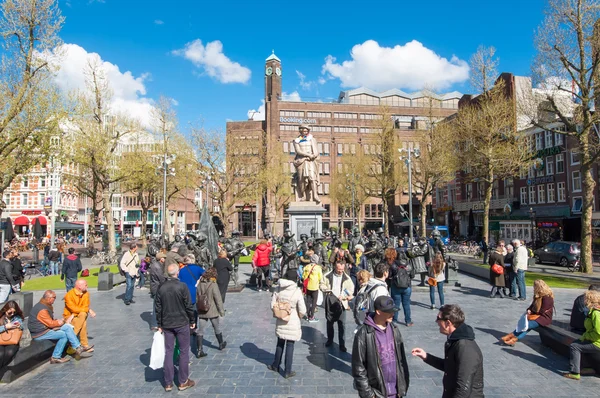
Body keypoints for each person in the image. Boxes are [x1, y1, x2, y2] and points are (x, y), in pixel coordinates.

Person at [412, 304, 484, 397]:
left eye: (438, 318)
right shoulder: (455, 340)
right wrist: (426, 356)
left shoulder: (465, 348)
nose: (436, 322)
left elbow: (463, 388)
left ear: (448, 323)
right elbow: (449, 366)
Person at [352, 296, 410, 398]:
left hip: (396, 392)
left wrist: (404, 384)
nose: (393, 314)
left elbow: (402, 360)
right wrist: (369, 394)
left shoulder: (394, 329)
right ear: (378, 312)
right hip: (377, 393)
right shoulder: (364, 333)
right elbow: (358, 367)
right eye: (389, 311)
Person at [155, 263, 196, 392]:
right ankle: (183, 381)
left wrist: (159, 324)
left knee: (169, 352)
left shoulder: (161, 287)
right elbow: (188, 305)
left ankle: (168, 383)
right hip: (181, 322)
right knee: (184, 352)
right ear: (177, 273)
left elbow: (158, 308)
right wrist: (192, 320)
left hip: (167, 323)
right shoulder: (182, 286)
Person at [28, 290, 92, 363]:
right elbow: (50, 324)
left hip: (46, 329)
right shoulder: (42, 309)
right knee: (63, 335)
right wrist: (61, 322)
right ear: (49, 298)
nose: (55, 300)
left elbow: (48, 321)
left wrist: (60, 321)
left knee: (67, 327)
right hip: (40, 333)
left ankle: (77, 347)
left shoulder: (44, 305)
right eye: (54, 298)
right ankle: (55, 357)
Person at [268, 269, 306, 379]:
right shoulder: (297, 291)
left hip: (281, 318)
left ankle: (276, 365)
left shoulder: (278, 288)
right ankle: (287, 371)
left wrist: (280, 312)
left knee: (280, 342)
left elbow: (272, 305)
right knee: (290, 344)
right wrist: (299, 316)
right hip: (292, 318)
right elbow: (302, 309)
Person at [501, 279, 554, 346]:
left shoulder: (547, 297)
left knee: (526, 325)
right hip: (537, 315)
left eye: (534, 286)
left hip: (544, 317)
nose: (533, 288)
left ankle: (511, 336)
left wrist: (532, 312)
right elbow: (532, 305)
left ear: (539, 287)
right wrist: (529, 309)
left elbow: (543, 310)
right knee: (526, 326)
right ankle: (513, 339)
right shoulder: (537, 295)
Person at [564, 289, 600, 380]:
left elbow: (598, 332)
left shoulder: (596, 313)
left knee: (574, 346)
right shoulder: (592, 311)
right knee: (579, 342)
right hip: (594, 340)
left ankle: (575, 372)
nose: (583, 301)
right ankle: (587, 367)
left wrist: (586, 337)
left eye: (585, 299)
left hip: (597, 342)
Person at [320, 261, 354, 351]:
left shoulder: (347, 278)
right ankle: (330, 340)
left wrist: (343, 295)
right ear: (335, 267)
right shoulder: (327, 275)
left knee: (342, 324)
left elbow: (350, 290)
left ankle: (342, 344)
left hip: (341, 302)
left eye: (342, 270)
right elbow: (322, 284)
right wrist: (327, 289)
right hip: (330, 301)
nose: (340, 271)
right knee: (329, 322)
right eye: (339, 269)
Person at [196, 267, 226, 358]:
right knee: (216, 327)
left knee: (200, 330)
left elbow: (197, 296)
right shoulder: (213, 284)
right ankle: (221, 344)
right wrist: (221, 311)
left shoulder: (200, 283)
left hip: (202, 309)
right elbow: (218, 299)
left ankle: (199, 350)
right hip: (212, 310)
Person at [63, 279, 96, 353]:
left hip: (77, 315)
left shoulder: (86, 293)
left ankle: (73, 338)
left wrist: (74, 314)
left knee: (83, 315)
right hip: (69, 317)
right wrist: (89, 310)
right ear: (79, 286)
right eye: (86, 285)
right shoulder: (69, 295)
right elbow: (73, 308)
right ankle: (84, 345)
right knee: (83, 322)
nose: (87, 286)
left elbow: (85, 306)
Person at [293, 124, 320, 204]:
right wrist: (307, 155)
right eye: (303, 131)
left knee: (312, 177)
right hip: (301, 161)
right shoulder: (296, 140)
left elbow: (316, 151)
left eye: (306, 131)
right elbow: (298, 151)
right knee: (301, 180)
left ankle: (315, 195)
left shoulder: (312, 139)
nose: (304, 132)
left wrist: (313, 156)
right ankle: (303, 195)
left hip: (310, 161)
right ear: (300, 131)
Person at [390, 254, 414, 326]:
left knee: (396, 304)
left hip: (396, 286)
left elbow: (390, 275)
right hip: (407, 286)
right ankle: (408, 321)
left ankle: (394, 320)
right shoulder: (408, 264)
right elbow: (412, 275)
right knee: (406, 304)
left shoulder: (394, 264)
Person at [0, 301, 24, 369]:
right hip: (1, 340)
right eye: (10, 312)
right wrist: (5, 327)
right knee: (0, 354)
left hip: (12, 340)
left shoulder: (17, 317)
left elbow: (22, 326)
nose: (12, 314)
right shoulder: (1, 317)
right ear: (5, 310)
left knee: (10, 352)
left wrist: (19, 326)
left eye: (14, 312)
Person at [302, 255, 323, 323]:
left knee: (308, 301)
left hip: (308, 286)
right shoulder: (318, 268)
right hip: (315, 287)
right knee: (314, 302)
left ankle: (308, 315)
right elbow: (320, 277)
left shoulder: (306, 267)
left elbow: (303, 276)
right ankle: (312, 316)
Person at [149, 252, 167, 331]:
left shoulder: (157, 265)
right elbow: (161, 278)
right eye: (164, 258)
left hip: (157, 287)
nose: (165, 259)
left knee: (158, 305)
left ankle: (158, 323)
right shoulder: (157, 266)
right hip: (157, 288)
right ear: (161, 259)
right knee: (156, 306)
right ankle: (154, 324)